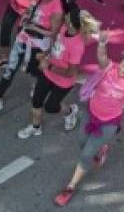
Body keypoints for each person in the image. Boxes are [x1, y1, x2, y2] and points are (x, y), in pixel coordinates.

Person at [54, 35, 124, 206]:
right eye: (123, 65)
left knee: (85, 155)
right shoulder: (109, 68)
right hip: (91, 114)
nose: (123, 70)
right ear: (120, 61)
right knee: (82, 144)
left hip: (108, 123)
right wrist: (101, 43)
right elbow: (101, 57)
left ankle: (70, 187)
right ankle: (102, 148)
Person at [0, 0, 65, 116]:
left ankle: (35, 85)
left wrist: (35, 28)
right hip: (24, 37)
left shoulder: (57, 10)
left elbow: (53, 32)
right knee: (10, 69)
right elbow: (30, 10)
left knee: (33, 70)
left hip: (38, 44)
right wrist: (26, 17)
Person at [17, 7, 96, 138]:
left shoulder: (77, 46)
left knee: (51, 107)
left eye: (68, 16)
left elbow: (71, 72)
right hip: (48, 73)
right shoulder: (64, 29)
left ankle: (70, 112)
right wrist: (46, 54)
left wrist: (48, 66)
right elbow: (55, 45)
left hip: (62, 82)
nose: (65, 16)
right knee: (36, 100)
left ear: (71, 24)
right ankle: (35, 127)